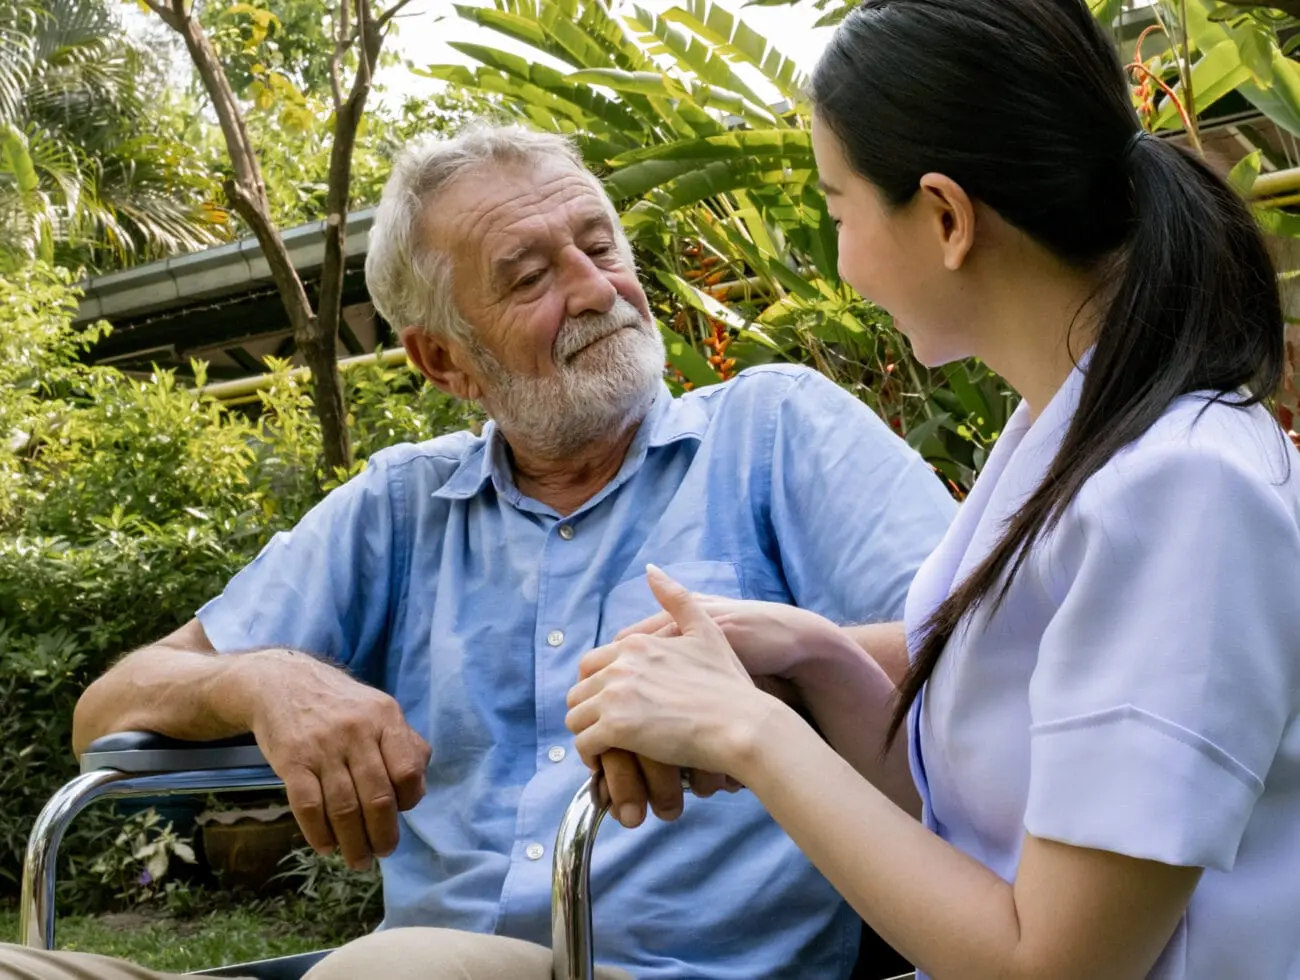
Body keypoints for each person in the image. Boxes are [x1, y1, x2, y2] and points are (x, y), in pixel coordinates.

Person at [0, 122, 954, 980]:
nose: (596, 291)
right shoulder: (399, 505)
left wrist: (764, 662)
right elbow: (106, 713)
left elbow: (975, 646)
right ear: (443, 361)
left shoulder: (775, 429)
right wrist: (265, 681)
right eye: (530, 277)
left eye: (599, 245)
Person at [565, 1, 1300, 978]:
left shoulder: (1180, 489)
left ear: (947, 218)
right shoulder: (1062, 430)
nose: (840, 259)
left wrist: (745, 730)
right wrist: (815, 652)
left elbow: (1051, 964)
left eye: (839, 209)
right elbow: (966, 810)